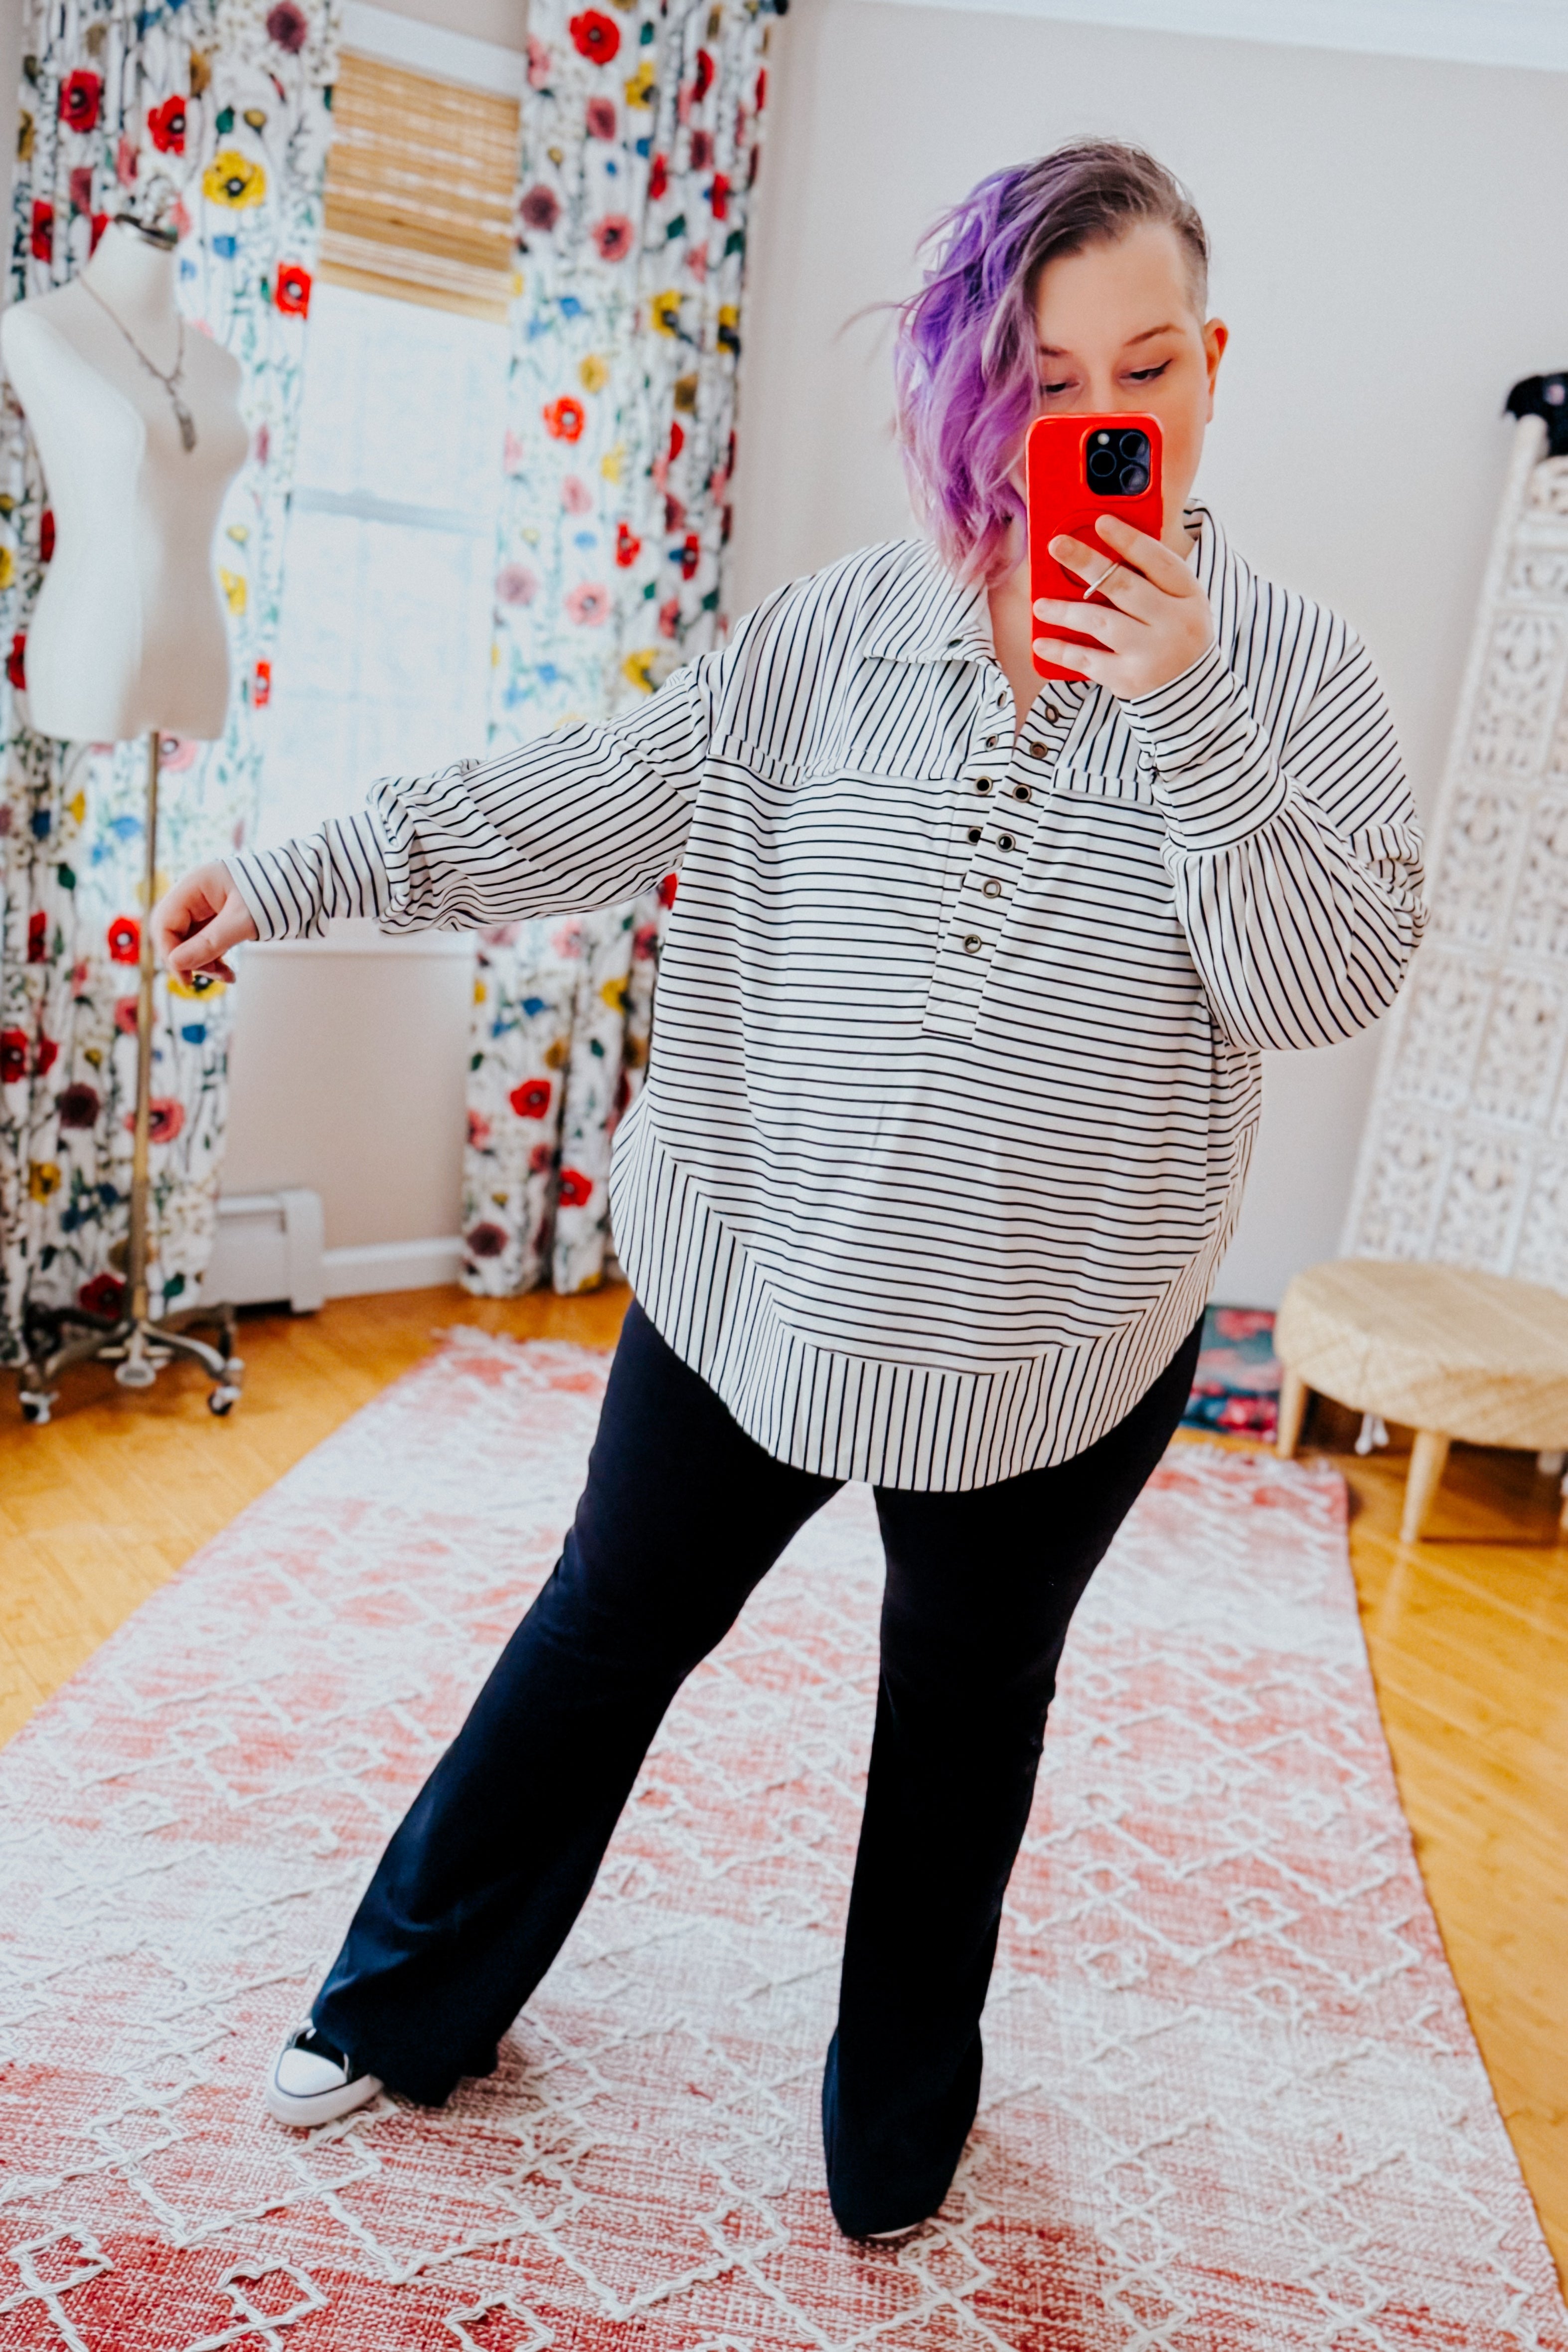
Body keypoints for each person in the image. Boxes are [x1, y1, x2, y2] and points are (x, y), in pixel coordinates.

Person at [154, 141, 1425, 2241]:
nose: (1096, 414)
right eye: (1042, 372)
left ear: (1213, 368)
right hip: (756, 1278)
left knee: (961, 1724)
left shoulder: (1294, 683)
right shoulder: (839, 631)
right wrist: (299, 870)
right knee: (601, 1634)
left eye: (1148, 363)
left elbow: (1316, 978)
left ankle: (898, 2090)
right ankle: (404, 2003)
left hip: (1058, 1339)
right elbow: (577, 801)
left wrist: (1187, 707)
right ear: (976, 388)